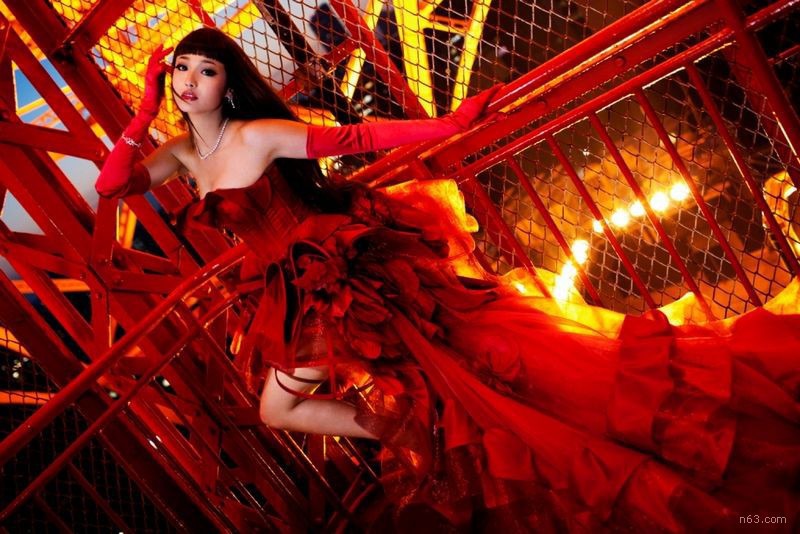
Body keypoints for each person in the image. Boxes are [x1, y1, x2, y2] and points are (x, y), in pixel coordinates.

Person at [96, 27, 800, 532]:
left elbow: (354, 139)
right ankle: (415, 431)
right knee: (288, 408)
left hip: (345, 281)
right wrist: (144, 111)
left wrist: (448, 124)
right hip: (295, 295)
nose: (190, 82)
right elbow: (112, 186)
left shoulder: (256, 135)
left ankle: (448, 436)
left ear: (228, 81)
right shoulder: (180, 151)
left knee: (470, 373)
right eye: (181, 70)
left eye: (205, 71)